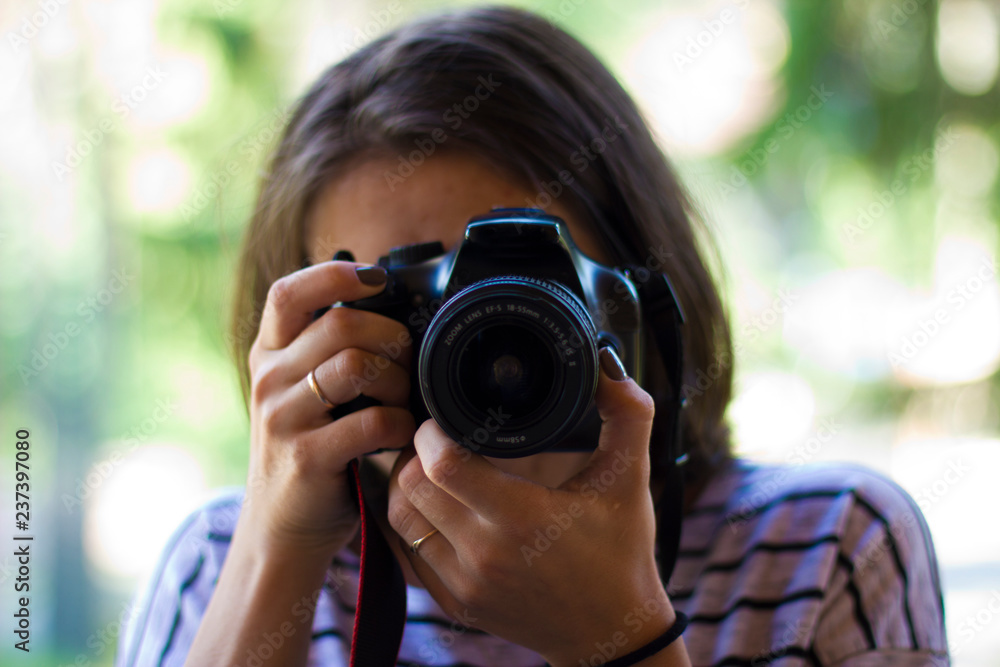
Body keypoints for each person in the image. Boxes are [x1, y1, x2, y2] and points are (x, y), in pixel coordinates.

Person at [115, 6, 950, 667]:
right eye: (411, 297)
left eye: (515, 276)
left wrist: (620, 638)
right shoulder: (222, 563)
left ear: (628, 287)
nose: (470, 334)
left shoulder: (828, 549)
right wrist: (278, 551)